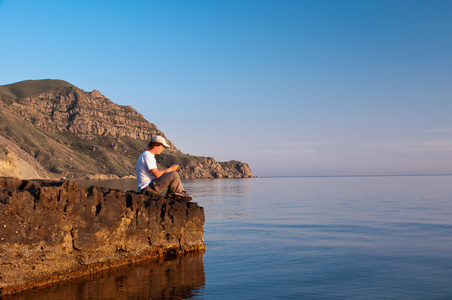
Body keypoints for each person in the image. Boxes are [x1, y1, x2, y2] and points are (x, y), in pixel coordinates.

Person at [136, 135, 193, 201]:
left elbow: (156, 174)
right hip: (147, 189)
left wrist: (169, 171)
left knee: (172, 174)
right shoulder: (148, 156)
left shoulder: (147, 155)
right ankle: (176, 194)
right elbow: (157, 175)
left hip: (147, 187)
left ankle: (177, 193)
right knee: (173, 174)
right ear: (155, 145)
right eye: (162, 147)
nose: (163, 149)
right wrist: (171, 169)